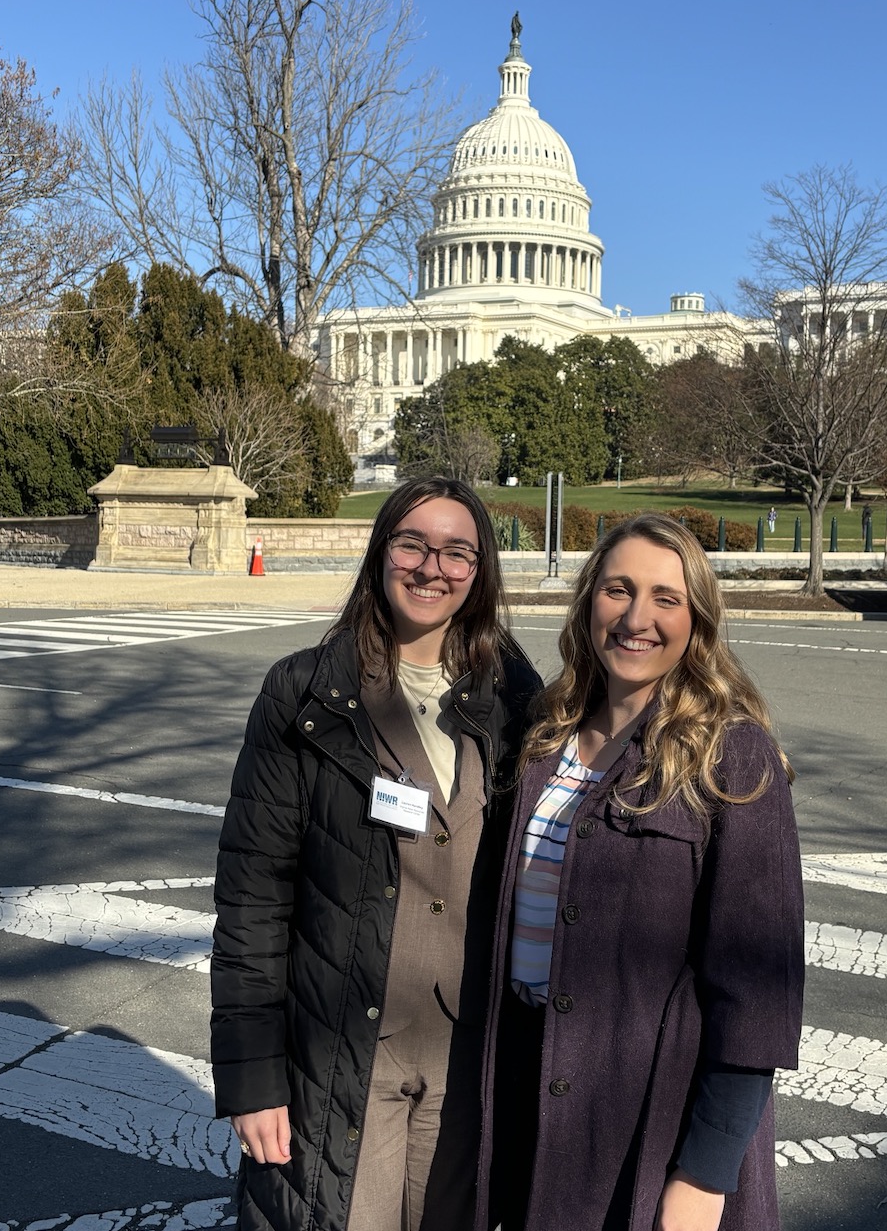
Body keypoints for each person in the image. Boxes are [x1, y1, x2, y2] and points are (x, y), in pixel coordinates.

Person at [214, 476, 543, 1231]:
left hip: (468, 1051)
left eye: (458, 551)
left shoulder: (516, 696)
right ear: (380, 551)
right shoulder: (305, 693)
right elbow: (253, 896)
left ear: (482, 569)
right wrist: (252, 1073)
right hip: (343, 1044)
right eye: (412, 543)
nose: (433, 567)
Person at [478, 513, 805, 1231]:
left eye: (666, 597)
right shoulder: (545, 737)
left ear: (697, 620)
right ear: (588, 599)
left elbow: (755, 991)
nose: (636, 617)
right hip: (534, 1099)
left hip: (656, 1121)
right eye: (618, 589)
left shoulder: (734, 755)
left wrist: (704, 1171)